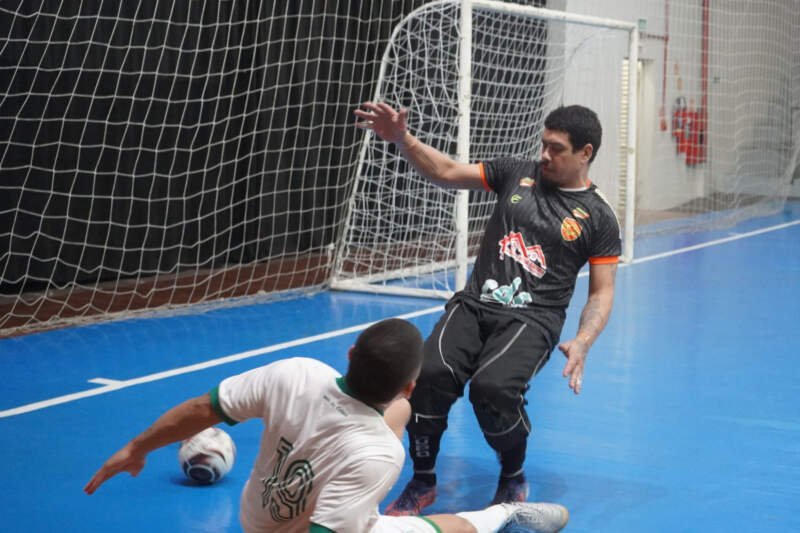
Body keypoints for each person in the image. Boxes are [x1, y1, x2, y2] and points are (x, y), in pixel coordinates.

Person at [353, 103, 620, 515]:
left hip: (533, 318)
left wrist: (584, 341)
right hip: (475, 303)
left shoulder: (599, 217)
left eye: (557, 149)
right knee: (428, 375)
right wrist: (403, 139)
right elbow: (445, 172)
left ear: (585, 152)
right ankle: (423, 481)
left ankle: (512, 475)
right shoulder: (517, 172)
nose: (545, 155)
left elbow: (602, 293)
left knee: (492, 389)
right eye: (543, 144)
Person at [85, 318, 569, 533]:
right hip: (311, 525)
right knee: (456, 528)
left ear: (350, 354)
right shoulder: (381, 453)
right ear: (405, 387)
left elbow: (201, 409)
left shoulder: (295, 373)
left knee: (377, 432)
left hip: (255, 520)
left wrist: (136, 447)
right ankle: (507, 519)